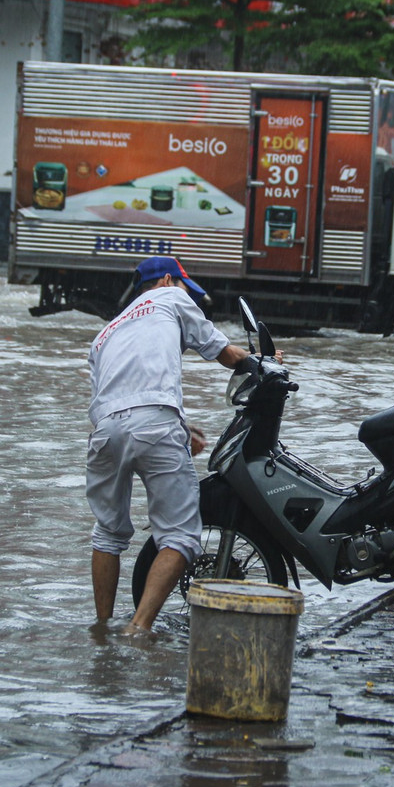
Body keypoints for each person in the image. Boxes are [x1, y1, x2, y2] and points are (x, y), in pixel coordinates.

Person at [85, 256, 251, 634]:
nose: (187, 294)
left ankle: (102, 631)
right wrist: (261, 359)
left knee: (107, 533)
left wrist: (178, 427)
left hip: (105, 431)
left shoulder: (105, 333)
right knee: (179, 535)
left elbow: (115, 402)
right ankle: (137, 629)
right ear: (166, 280)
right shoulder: (172, 298)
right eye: (184, 286)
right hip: (155, 425)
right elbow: (226, 354)